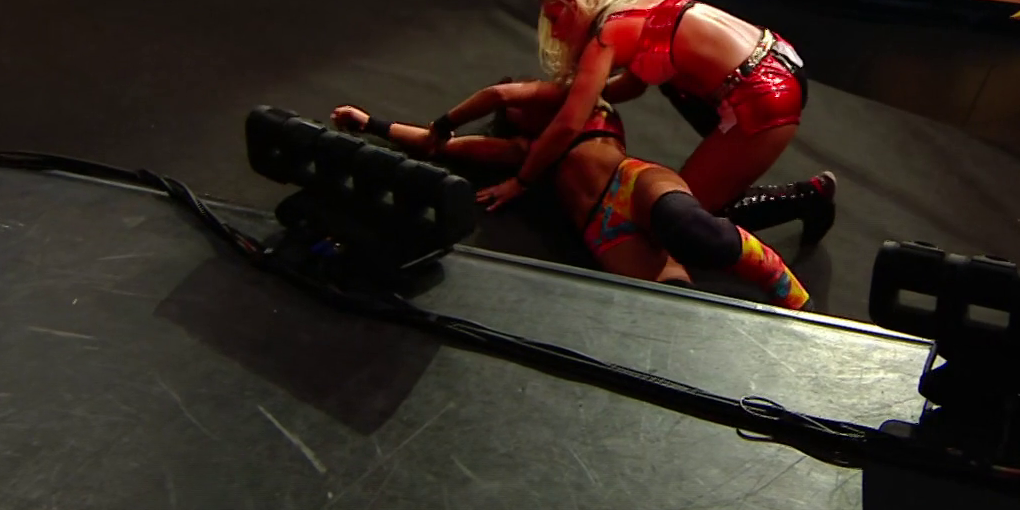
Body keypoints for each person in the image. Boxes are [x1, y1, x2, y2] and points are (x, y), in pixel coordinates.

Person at [332, 82, 810, 308]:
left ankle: (785, 286)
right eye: (516, 117)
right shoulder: (525, 153)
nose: (518, 112)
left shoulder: (580, 104)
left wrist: (445, 119)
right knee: (674, 307)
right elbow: (442, 146)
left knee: (689, 227)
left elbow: (498, 96)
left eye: (523, 106)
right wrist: (371, 123)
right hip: (602, 229)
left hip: (633, 182)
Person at [463, 0, 837, 242]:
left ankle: (807, 197)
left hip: (762, 97)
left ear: (575, 6)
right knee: (672, 84)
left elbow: (569, 125)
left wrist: (521, 181)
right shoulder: (641, 6)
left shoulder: (607, 34)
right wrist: (580, 95)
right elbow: (633, 85)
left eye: (556, 19)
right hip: (778, 62)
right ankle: (734, 169)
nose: (557, 33)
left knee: (680, 216)